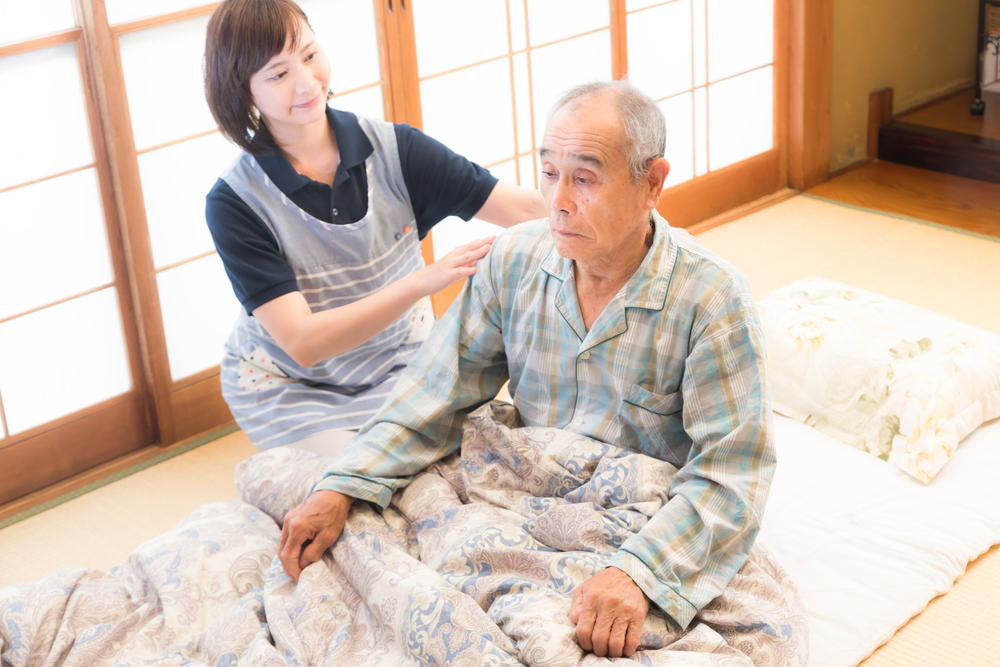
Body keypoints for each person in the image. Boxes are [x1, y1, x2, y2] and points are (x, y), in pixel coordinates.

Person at [277, 81, 775, 659]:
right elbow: (435, 395)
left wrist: (639, 575)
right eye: (547, 173)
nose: (557, 200)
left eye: (584, 178)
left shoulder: (713, 301)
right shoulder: (513, 259)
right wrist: (341, 485)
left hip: (640, 530)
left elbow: (732, 474)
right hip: (521, 502)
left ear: (652, 183)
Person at [203, 0, 545, 452]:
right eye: (278, 74)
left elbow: (519, 209)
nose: (306, 83)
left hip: (401, 360)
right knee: (357, 483)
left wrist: (607, 208)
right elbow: (303, 342)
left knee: (476, 462)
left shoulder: (395, 149)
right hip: (289, 386)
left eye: (309, 55)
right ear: (242, 90)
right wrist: (421, 283)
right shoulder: (235, 201)